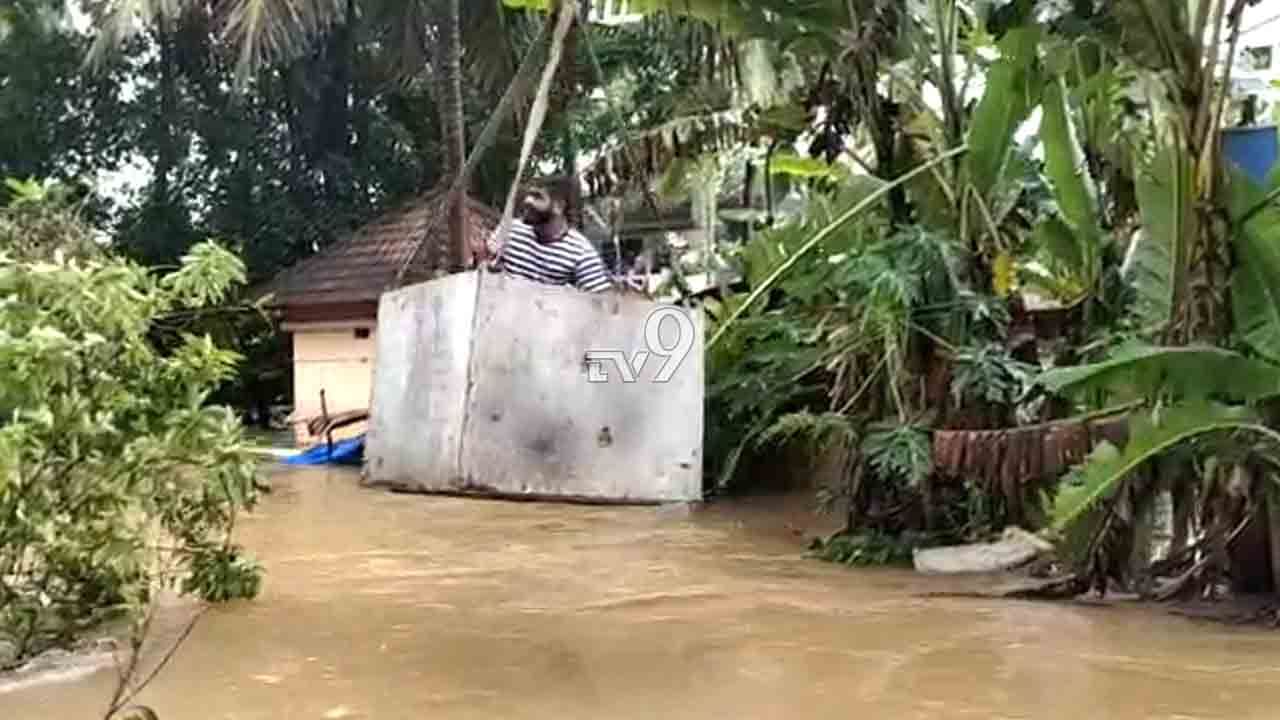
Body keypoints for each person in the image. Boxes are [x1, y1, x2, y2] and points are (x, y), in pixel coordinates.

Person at [474, 175, 613, 293]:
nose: (527, 201)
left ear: (559, 206)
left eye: (537, 197)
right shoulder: (511, 230)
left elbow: (600, 303)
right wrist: (485, 263)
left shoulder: (581, 253)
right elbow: (483, 267)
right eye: (528, 195)